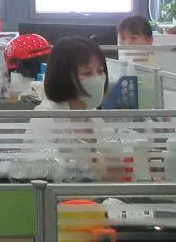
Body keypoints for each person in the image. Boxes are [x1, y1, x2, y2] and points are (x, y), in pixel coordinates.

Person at [13, 37, 113, 179]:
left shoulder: (91, 114)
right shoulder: (46, 117)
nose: (97, 79)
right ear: (64, 77)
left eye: (100, 71)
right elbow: (33, 170)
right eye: (87, 73)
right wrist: (82, 167)